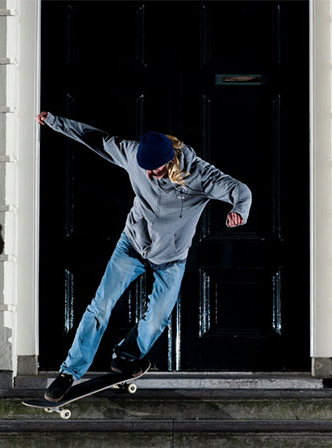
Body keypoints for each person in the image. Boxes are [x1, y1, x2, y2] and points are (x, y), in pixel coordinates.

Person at [36, 111, 252, 401]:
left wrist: (239, 209)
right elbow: (96, 139)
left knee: (157, 319)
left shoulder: (198, 174)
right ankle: (68, 373)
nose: (150, 174)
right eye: (146, 169)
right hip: (132, 246)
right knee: (100, 306)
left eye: (157, 169)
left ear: (171, 158)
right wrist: (55, 122)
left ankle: (125, 356)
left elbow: (238, 189)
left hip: (172, 258)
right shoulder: (132, 153)